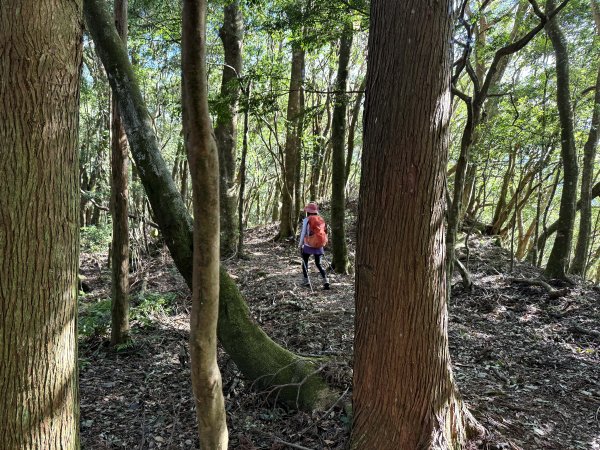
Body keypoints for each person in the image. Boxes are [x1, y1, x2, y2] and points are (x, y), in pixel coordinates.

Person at [299, 202, 330, 289]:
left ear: (308, 211)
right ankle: (326, 280)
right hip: (319, 244)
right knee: (319, 264)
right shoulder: (321, 219)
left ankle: (306, 281)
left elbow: (303, 233)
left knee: (305, 262)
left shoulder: (307, 220)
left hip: (308, 244)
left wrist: (300, 244)